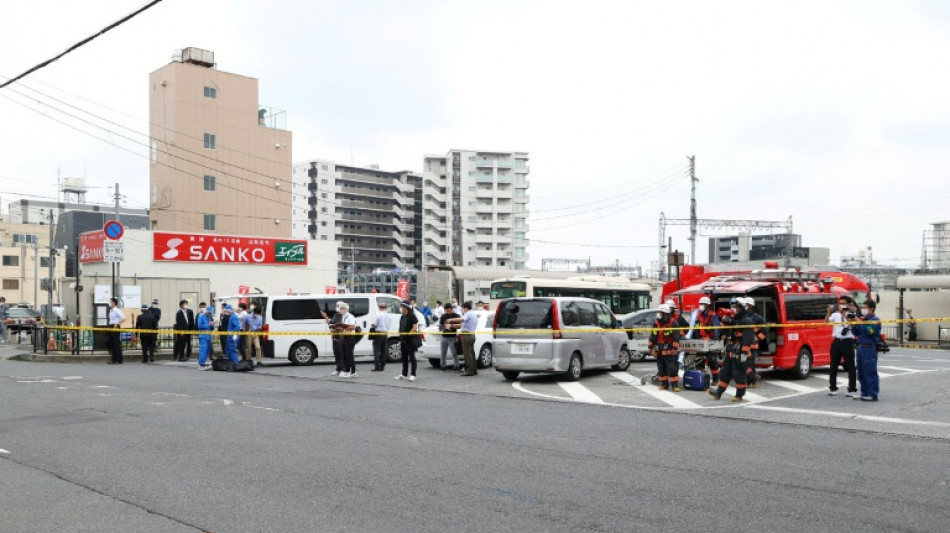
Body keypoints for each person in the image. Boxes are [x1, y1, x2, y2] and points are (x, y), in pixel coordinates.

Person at [708, 298, 755, 402]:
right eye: (733, 306)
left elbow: (748, 338)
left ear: (741, 308)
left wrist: (744, 353)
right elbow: (725, 333)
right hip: (731, 351)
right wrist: (725, 322)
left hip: (740, 351)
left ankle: (739, 395)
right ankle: (718, 392)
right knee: (725, 372)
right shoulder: (734, 320)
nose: (733, 309)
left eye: (736, 307)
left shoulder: (746, 321)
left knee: (739, 374)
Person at [825, 296, 857, 397]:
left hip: (848, 342)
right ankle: (833, 388)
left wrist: (844, 312)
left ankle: (851, 389)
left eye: (843, 303)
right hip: (837, 342)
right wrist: (828, 312)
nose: (841, 305)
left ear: (848, 304)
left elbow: (853, 323)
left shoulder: (852, 314)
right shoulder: (835, 315)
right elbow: (826, 323)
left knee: (850, 366)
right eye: (840, 303)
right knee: (833, 365)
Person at [648, 304, 680, 391]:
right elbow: (653, 335)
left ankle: (675, 385)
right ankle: (664, 384)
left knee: (671, 367)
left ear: (665, 313)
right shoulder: (656, 323)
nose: (658, 314)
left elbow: (676, 336)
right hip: (659, 348)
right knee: (661, 367)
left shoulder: (673, 322)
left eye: (660, 312)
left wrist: (674, 348)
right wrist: (650, 346)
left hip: (669, 347)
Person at [854, 300, 882, 401]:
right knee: (861, 371)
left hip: (869, 347)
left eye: (864, 307)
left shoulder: (875, 320)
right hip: (860, 347)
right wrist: (853, 323)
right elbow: (855, 332)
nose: (862, 309)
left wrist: (860, 323)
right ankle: (864, 392)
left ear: (871, 309)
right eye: (862, 307)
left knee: (870, 371)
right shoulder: (863, 319)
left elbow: (869, 331)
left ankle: (873, 394)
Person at [693, 296, 721, 385]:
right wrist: (695, 339)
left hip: (711, 341)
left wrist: (715, 339)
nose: (700, 306)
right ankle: (701, 378)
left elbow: (716, 328)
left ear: (707, 305)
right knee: (699, 360)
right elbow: (696, 329)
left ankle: (716, 380)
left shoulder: (713, 316)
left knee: (712, 361)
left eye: (702, 304)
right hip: (701, 341)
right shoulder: (699, 316)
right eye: (700, 304)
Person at [743, 297, 767, 388]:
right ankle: (752, 380)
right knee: (747, 364)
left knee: (749, 364)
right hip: (744, 344)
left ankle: (752, 380)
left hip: (752, 346)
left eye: (746, 305)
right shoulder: (743, 316)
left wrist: (757, 338)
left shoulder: (757, 318)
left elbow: (765, 331)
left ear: (750, 306)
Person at [395, 300, 419, 381]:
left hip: (410, 339)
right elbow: (401, 327)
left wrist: (409, 334)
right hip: (403, 339)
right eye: (401, 306)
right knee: (404, 357)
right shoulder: (402, 316)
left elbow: (415, 327)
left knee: (412, 357)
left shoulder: (412, 316)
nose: (402, 308)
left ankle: (413, 374)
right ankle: (404, 374)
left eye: (403, 306)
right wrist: (400, 337)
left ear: (407, 307)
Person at [457, 301, 479, 376]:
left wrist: (451, 320)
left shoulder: (468, 313)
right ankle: (474, 369)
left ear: (465, 307)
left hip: (466, 335)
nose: (462, 309)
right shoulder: (474, 314)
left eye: (463, 308)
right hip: (472, 334)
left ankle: (469, 370)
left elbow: (462, 320)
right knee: (471, 353)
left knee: (467, 353)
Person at [337, 302, 357, 377]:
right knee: (344, 355)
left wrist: (344, 327)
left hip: (349, 337)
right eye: (340, 308)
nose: (341, 310)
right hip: (344, 337)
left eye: (342, 308)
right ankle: (347, 370)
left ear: (346, 309)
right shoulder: (343, 316)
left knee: (349, 355)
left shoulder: (350, 317)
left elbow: (353, 327)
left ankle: (353, 371)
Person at [438, 302, 461, 371]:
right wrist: (441, 327)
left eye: (449, 310)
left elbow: (460, 326)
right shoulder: (443, 316)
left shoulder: (456, 316)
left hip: (452, 337)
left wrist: (451, 325)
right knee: (443, 352)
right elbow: (441, 326)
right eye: (446, 311)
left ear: (452, 309)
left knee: (454, 352)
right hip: (444, 336)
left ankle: (456, 365)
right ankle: (443, 366)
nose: (448, 312)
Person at [371, 300, 392, 371]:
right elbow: (389, 325)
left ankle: (377, 366)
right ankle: (382, 366)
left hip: (378, 333)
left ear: (379, 307)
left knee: (376, 350)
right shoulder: (388, 315)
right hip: (385, 333)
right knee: (384, 350)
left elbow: (374, 324)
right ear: (386, 307)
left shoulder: (377, 314)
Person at [107, 297, 124, 364]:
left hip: (115, 326)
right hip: (111, 326)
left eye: (110, 302)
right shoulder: (111, 310)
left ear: (114, 303)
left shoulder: (117, 310)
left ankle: (119, 359)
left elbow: (123, 318)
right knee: (112, 343)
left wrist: (117, 323)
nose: (110, 303)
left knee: (116, 343)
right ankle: (113, 359)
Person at [197, 305, 215, 369]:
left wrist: (212, 325)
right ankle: (200, 364)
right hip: (203, 336)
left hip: (208, 336)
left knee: (207, 350)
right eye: (209, 313)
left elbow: (211, 328)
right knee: (203, 350)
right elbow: (199, 325)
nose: (210, 314)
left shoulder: (209, 317)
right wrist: (208, 324)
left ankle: (203, 363)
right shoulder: (201, 316)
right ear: (207, 311)